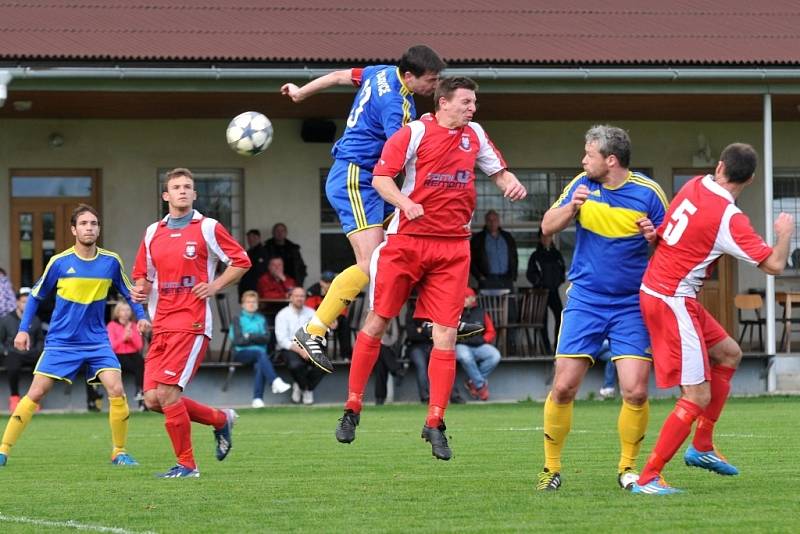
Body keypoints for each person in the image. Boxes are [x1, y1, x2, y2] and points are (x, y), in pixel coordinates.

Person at [333, 76, 527, 460]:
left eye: (474, 102)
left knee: (446, 335)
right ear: (443, 103)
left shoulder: (476, 134)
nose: (473, 108)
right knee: (378, 321)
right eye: (467, 102)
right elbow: (382, 179)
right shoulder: (413, 133)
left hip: (453, 247)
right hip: (406, 242)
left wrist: (511, 183)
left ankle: (435, 422)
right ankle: (352, 407)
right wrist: (404, 204)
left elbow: (497, 171)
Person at [631, 143, 795, 495]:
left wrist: (653, 234)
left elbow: (667, 233)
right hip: (671, 298)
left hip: (664, 290)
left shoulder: (693, 185)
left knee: (729, 353)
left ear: (719, 166)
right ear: (750, 179)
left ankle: (702, 446)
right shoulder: (729, 217)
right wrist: (785, 233)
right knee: (697, 395)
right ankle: (648, 478)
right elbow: (775, 265)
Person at [282, 45, 447, 374]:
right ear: (410, 76)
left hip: (369, 180)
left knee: (409, 240)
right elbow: (404, 152)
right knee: (371, 264)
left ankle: (435, 316)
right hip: (357, 178)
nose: (435, 86)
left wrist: (302, 92)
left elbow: (338, 75)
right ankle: (313, 332)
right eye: (431, 80)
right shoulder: (397, 105)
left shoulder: (380, 71)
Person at [536, 125, 668, 491]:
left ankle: (628, 469)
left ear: (610, 160)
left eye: (589, 154)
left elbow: (671, 249)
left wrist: (654, 238)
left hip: (631, 305)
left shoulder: (649, 193)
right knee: (563, 387)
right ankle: (550, 470)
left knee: (636, 392)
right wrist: (572, 208)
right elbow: (546, 226)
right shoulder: (581, 184)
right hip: (586, 300)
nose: (583, 160)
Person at [0, 204, 148, 467]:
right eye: (83, 224)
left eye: (93, 223)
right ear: (73, 229)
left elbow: (129, 292)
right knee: (35, 394)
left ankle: (119, 452)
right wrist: (23, 329)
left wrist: (142, 316)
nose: (89, 228)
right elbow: (35, 297)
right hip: (61, 342)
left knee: (116, 388)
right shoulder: (59, 262)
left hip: (96, 341)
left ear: (98, 229)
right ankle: (3, 450)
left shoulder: (110, 261)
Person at [131, 168, 251, 478]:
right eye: (176, 187)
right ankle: (220, 419)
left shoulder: (208, 227)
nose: (182, 191)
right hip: (161, 326)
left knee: (169, 394)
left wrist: (215, 286)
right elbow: (142, 276)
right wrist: (140, 291)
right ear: (166, 196)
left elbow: (241, 261)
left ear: (195, 194)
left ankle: (187, 465)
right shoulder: (151, 233)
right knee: (154, 399)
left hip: (192, 324)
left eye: (188, 187)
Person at [230, 290, 292, 408]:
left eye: (254, 302)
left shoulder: (261, 319)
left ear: (257, 304)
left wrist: (249, 335)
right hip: (241, 352)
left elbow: (267, 339)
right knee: (259, 353)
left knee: (260, 363)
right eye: (248, 302)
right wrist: (256, 337)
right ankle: (274, 381)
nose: (251, 304)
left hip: (260, 354)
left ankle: (257, 400)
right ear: (243, 304)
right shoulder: (237, 318)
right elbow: (239, 341)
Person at [404, 300, 465, 405]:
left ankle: (454, 395)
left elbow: (441, 332)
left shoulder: (434, 309)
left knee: (444, 364)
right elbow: (412, 335)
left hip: (434, 344)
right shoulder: (411, 313)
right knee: (421, 366)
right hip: (416, 347)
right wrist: (428, 332)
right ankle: (426, 397)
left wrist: (422, 330)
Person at [274, 287, 326, 405]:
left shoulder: (311, 313)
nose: (299, 298)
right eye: (296, 296)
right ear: (290, 297)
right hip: (290, 347)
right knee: (295, 365)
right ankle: (305, 388)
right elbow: (282, 340)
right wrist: (300, 351)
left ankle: (302, 385)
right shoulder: (282, 315)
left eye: (302, 296)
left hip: (309, 346)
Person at [0, 287, 43, 412]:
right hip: (13, 353)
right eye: (24, 301)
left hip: (31, 352)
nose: (26, 305)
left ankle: (33, 400)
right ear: (17, 302)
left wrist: (39, 349)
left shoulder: (35, 319)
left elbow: (40, 338)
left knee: (40, 369)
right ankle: (14, 397)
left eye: (29, 302)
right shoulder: (6, 320)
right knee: (12, 366)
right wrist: (5, 351)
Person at [456, 288, 501, 401]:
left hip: (478, 345)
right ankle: (480, 386)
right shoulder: (456, 311)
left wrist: (483, 340)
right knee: (465, 357)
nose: (464, 300)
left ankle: (472, 382)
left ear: (473, 298)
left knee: (495, 355)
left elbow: (491, 331)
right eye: (462, 297)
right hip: (461, 344)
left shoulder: (481, 312)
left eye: (466, 297)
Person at [526, 229, 566, 353]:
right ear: (540, 239)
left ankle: (557, 345)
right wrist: (539, 283)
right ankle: (546, 347)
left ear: (552, 238)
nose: (546, 239)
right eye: (543, 237)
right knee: (542, 320)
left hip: (554, 291)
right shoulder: (535, 255)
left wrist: (558, 282)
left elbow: (562, 271)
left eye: (548, 237)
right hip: (541, 292)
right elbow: (530, 273)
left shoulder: (556, 254)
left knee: (560, 316)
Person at [107, 301, 146, 411]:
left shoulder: (134, 325)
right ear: (118, 312)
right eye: (123, 310)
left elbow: (139, 346)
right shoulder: (111, 326)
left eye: (128, 310)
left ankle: (140, 392)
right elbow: (111, 346)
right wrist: (123, 338)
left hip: (132, 355)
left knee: (141, 362)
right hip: (117, 355)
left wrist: (131, 337)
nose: (125, 313)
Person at [306, 271, 352, 360]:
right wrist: (326, 320)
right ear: (321, 282)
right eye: (325, 282)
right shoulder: (313, 290)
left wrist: (336, 320)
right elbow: (310, 310)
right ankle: (321, 355)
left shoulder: (340, 289)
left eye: (330, 282)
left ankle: (346, 355)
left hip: (334, 318)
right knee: (320, 326)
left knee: (345, 323)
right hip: (318, 318)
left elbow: (343, 308)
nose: (328, 284)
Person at [470, 210, 519, 291]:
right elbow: (470, 260)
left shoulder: (507, 237)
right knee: (488, 303)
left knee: (507, 303)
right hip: (487, 279)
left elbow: (514, 256)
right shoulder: (478, 238)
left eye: (495, 220)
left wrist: (513, 275)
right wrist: (479, 276)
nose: (492, 223)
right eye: (489, 220)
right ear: (486, 222)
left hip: (506, 278)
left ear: (499, 221)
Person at [263, 223, 307, 287]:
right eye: (277, 231)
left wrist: (299, 283)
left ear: (286, 233)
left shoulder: (293, 249)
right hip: (271, 284)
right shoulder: (266, 248)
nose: (280, 233)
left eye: (282, 231)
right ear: (273, 233)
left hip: (291, 284)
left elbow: (300, 268)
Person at [238, 229, 269, 296]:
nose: (251, 240)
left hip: (257, 287)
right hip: (246, 286)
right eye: (249, 238)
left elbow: (261, 271)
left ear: (259, 238)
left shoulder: (264, 252)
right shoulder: (248, 252)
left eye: (254, 237)